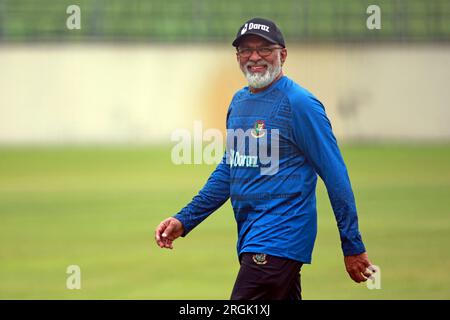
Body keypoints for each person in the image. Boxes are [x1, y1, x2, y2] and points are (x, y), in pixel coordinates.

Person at [155, 17, 375, 300]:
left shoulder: (300, 104)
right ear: (237, 57)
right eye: (246, 50)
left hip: (278, 240)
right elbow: (229, 171)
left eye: (264, 49)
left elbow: (336, 176)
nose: (255, 57)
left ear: (282, 54)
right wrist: (185, 219)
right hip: (252, 238)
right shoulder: (239, 102)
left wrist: (352, 244)